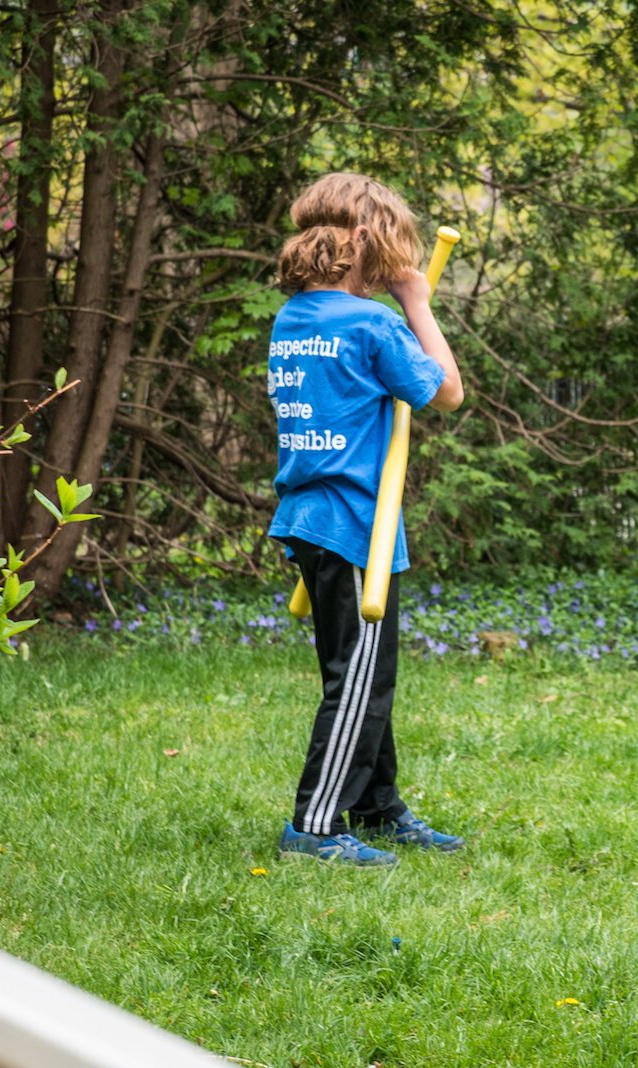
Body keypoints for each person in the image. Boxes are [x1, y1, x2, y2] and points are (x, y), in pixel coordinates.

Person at [266, 172, 465, 866]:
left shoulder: (294, 316)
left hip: (309, 515)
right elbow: (446, 390)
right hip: (353, 522)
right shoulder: (373, 321)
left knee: (360, 673)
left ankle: (377, 807)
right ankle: (314, 825)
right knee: (358, 677)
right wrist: (415, 301)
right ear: (361, 240)